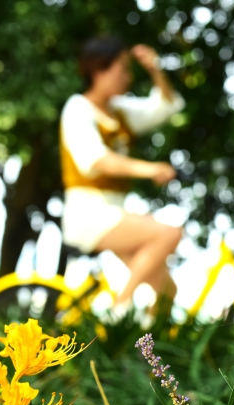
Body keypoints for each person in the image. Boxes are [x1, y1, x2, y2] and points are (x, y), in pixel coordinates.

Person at [59, 35, 186, 315]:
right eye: (122, 69)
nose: (127, 78)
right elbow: (96, 159)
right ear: (98, 70)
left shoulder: (120, 111)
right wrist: (149, 169)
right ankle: (120, 308)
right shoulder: (78, 108)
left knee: (167, 292)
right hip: (88, 213)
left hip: (115, 213)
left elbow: (166, 107)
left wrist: (154, 69)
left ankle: (142, 349)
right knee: (168, 234)